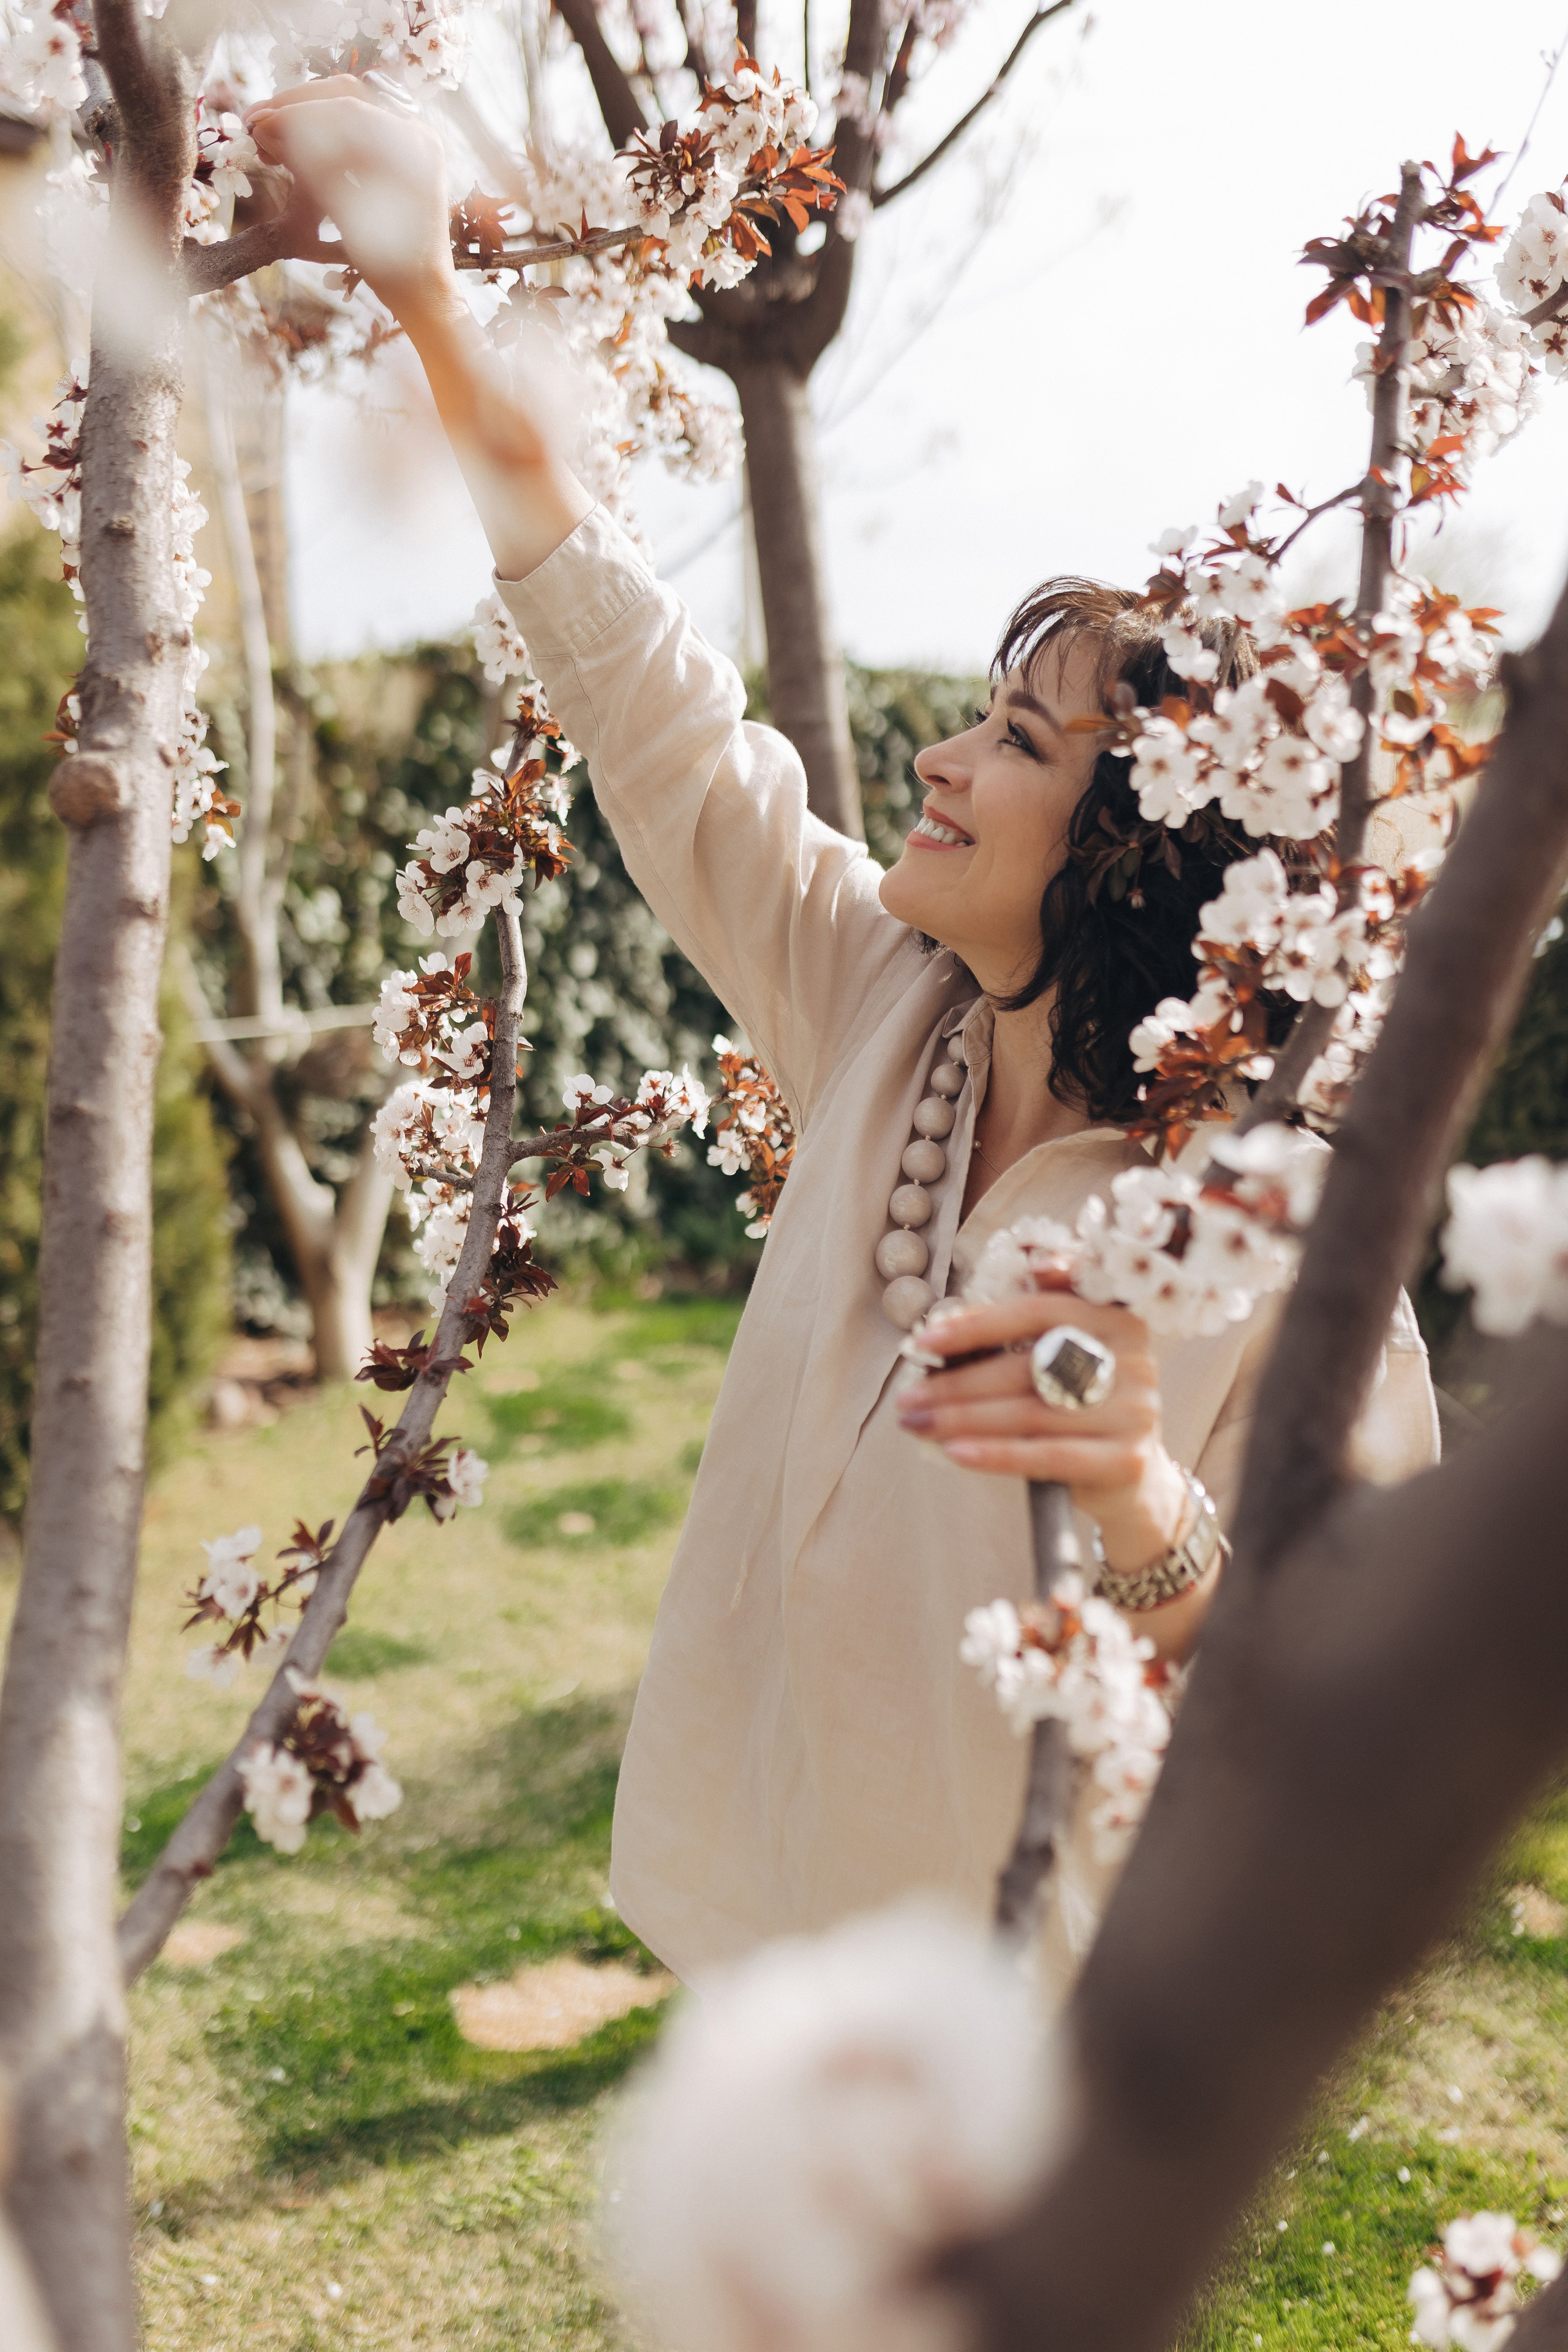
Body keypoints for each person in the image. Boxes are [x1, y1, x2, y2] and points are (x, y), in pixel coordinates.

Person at [247, 83, 1441, 1996]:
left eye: (1017, 745)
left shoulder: (1279, 1231)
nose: (941, 760)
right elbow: (646, 699)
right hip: (751, 1922)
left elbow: (1343, 1704)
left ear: (1137, 858)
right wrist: (430, 311)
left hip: (1026, 2026)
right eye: (972, 713)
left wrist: (1136, 1492)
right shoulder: (884, 1006)